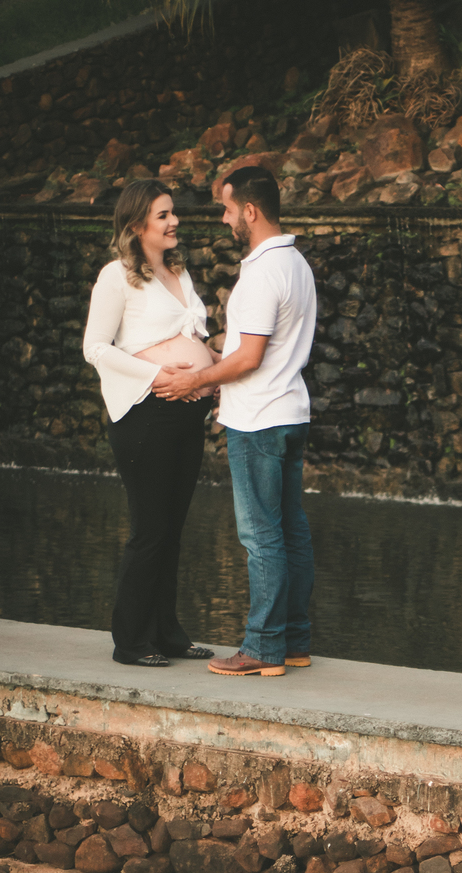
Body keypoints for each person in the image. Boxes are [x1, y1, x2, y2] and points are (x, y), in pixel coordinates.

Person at [153, 164, 316, 677]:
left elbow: (249, 359)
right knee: (291, 532)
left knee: (261, 536)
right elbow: (250, 346)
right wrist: (205, 350)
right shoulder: (295, 263)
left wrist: (193, 382)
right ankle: (293, 641)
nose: (224, 220)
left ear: (250, 210)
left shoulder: (264, 271)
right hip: (289, 412)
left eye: (227, 209)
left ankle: (263, 648)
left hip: (259, 419)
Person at [83, 179, 218, 667]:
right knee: (149, 529)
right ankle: (131, 641)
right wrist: (159, 372)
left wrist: (216, 370)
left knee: (172, 527)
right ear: (138, 223)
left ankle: (168, 634)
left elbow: (193, 337)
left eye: (173, 213)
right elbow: (95, 348)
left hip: (186, 411)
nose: (174, 220)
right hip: (146, 412)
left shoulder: (177, 271)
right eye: (163, 215)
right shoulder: (116, 277)